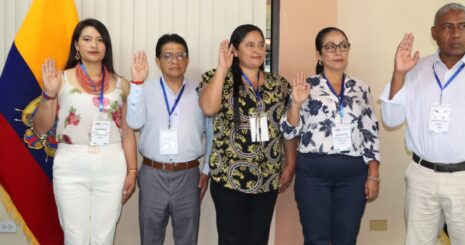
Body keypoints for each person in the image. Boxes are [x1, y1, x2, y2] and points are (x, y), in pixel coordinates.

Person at [379, 3, 465, 244]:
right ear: (434, 32)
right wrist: (399, 73)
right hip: (421, 177)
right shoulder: (415, 70)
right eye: (447, 27)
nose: (455, 34)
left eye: (462, 26)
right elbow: (391, 119)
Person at [33, 18, 137, 245]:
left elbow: (127, 132)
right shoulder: (60, 79)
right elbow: (41, 127)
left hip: (111, 163)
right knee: (75, 237)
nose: (94, 44)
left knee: (104, 237)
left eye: (100, 40)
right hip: (71, 164)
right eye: (87, 39)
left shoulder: (122, 84)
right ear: (76, 46)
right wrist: (49, 94)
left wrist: (132, 170)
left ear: (106, 47)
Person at [280, 27, 381, 245]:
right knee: (316, 239)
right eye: (330, 47)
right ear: (319, 55)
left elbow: (370, 132)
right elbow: (288, 132)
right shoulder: (305, 86)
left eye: (343, 46)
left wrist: (373, 174)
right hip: (313, 174)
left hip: (353, 175)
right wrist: (296, 104)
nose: (338, 51)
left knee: (346, 238)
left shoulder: (360, 88)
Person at [198, 24, 297, 245]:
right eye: (250, 45)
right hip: (229, 176)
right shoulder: (215, 77)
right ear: (235, 50)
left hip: (268, 175)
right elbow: (208, 108)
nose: (257, 50)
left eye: (261, 45)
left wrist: (291, 164)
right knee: (232, 239)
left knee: (258, 239)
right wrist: (223, 69)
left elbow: (288, 129)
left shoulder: (278, 84)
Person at [126, 34, 211, 245]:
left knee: (187, 238)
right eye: (168, 55)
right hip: (152, 174)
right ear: (157, 61)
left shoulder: (201, 91)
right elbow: (134, 123)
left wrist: (206, 170)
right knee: (150, 237)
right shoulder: (143, 90)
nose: (175, 60)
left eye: (181, 55)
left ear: (188, 59)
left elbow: (211, 134)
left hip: (189, 175)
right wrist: (136, 82)